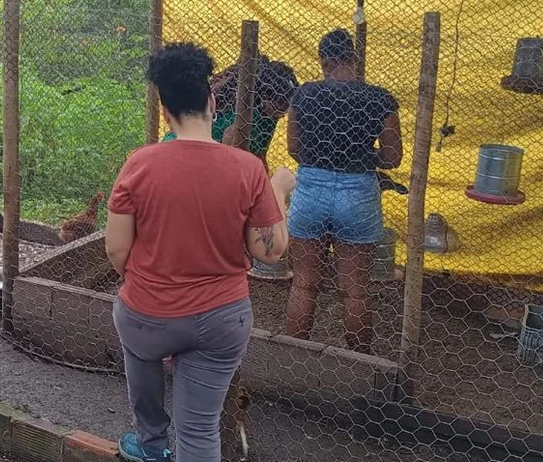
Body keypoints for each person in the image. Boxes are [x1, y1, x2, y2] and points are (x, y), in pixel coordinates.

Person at [106, 42, 294, 462]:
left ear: (164, 108)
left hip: (147, 314)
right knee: (199, 429)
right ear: (211, 100)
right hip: (220, 320)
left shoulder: (138, 164)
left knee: (139, 354)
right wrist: (279, 190)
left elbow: (117, 251)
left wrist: (153, 292)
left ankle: (152, 446)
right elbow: (271, 251)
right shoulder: (248, 168)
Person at [284, 28, 402, 351]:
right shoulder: (379, 98)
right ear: (353, 58)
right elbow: (393, 157)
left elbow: (294, 148)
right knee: (356, 292)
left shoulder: (304, 95)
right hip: (358, 193)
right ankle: (360, 366)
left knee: (304, 286)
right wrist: (365, 156)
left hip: (311, 191)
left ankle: (293, 361)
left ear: (324, 60)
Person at [161, 56, 298, 164]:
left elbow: (260, 155)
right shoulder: (246, 117)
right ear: (264, 97)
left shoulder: (270, 117)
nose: (284, 110)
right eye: (280, 104)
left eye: (287, 105)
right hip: (189, 151)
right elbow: (226, 158)